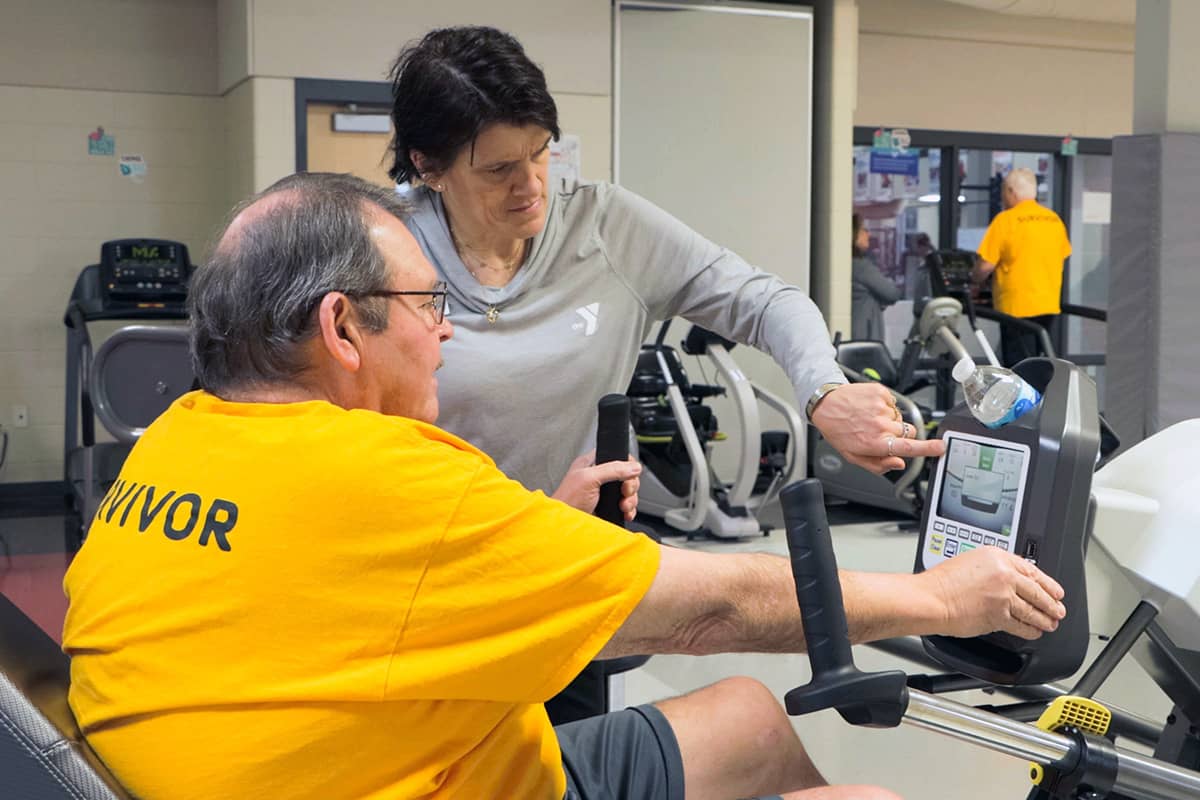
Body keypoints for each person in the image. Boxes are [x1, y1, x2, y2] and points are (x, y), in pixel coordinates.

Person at [62, 173, 1069, 800]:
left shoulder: (170, 444)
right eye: (427, 303)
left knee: (749, 718)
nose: (446, 327)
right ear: (341, 328)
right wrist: (944, 596)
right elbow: (711, 607)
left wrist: (535, 532)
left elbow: (315, 598)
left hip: (389, 762)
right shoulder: (392, 476)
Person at [386, 25, 941, 723]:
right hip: (430, 590)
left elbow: (764, 299)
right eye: (498, 170)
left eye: (540, 152)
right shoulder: (382, 248)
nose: (532, 186)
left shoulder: (606, 227)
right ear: (428, 166)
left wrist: (822, 389)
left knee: (566, 761)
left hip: (566, 573)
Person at [972, 167, 1071, 367]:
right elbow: (1062, 256)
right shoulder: (1054, 220)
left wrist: (973, 282)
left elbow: (986, 265)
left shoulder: (1005, 220)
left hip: (1017, 306)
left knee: (1020, 369)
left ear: (1011, 192)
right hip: (1049, 305)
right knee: (1040, 362)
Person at [850, 213, 901, 340]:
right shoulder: (861, 267)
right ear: (853, 234)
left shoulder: (848, 264)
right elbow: (892, 293)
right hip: (864, 338)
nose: (868, 235)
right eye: (864, 230)